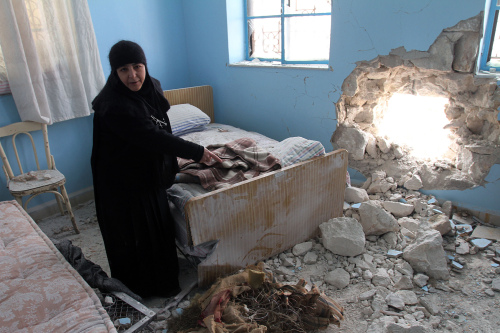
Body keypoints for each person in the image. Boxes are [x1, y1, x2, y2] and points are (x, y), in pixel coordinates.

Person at [91, 40, 221, 298]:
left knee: (157, 230)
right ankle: (138, 288)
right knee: (132, 235)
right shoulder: (113, 104)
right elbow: (153, 136)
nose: (133, 75)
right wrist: (197, 151)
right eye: (123, 69)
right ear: (115, 73)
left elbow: (163, 126)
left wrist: (170, 165)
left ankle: (163, 282)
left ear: (145, 65)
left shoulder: (153, 87)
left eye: (137, 66)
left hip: (147, 172)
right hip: (120, 180)